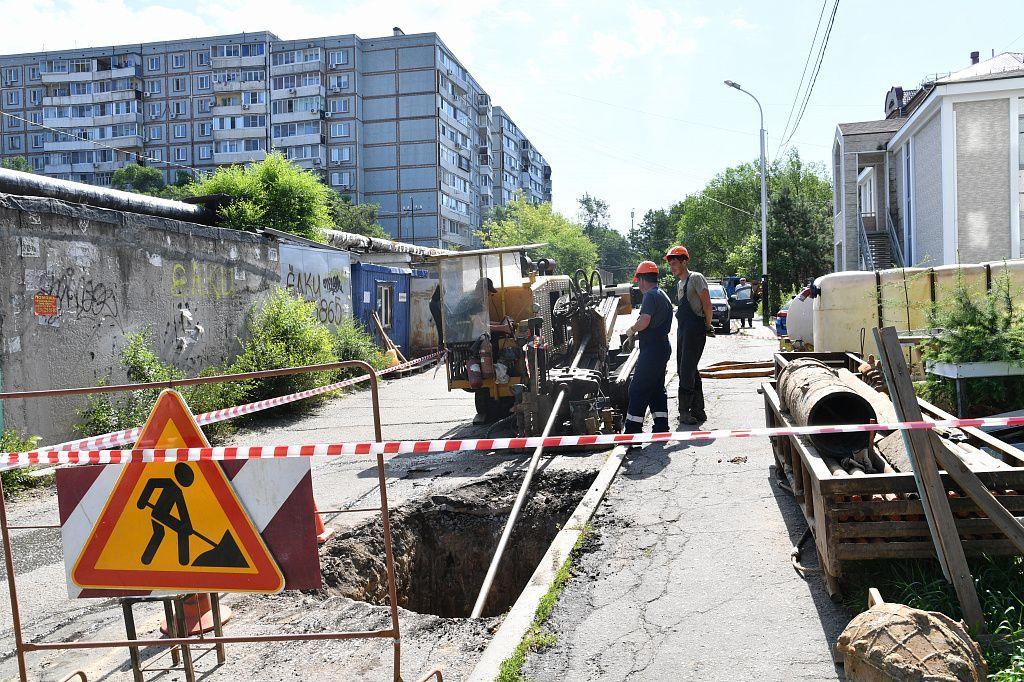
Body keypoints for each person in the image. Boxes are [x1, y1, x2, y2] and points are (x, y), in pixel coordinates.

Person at [664, 246, 714, 424]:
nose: (672, 266)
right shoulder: (679, 284)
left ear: (685, 261)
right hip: (683, 329)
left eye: (675, 262)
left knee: (686, 370)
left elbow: (707, 305)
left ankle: (684, 411)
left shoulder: (696, 278)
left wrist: (707, 326)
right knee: (688, 369)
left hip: (695, 329)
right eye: (670, 263)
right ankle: (698, 410)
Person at [622, 261, 673, 434]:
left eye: (638, 281)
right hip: (661, 347)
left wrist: (631, 330)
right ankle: (661, 427)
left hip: (652, 351)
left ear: (642, 279)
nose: (638, 285)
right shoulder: (662, 294)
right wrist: (637, 336)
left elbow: (645, 321)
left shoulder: (650, 295)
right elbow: (655, 325)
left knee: (637, 388)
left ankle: (632, 433)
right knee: (656, 388)